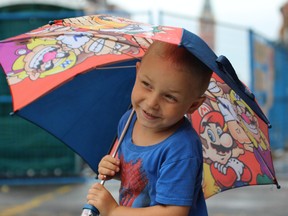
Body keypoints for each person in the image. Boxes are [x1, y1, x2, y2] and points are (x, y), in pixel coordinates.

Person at [86, 40, 213, 216]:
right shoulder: (128, 121)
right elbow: (143, 178)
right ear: (138, 72)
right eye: (146, 84)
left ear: (193, 105)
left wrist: (114, 211)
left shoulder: (181, 149)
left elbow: (173, 212)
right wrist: (115, 171)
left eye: (169, 97)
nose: (152, 103)